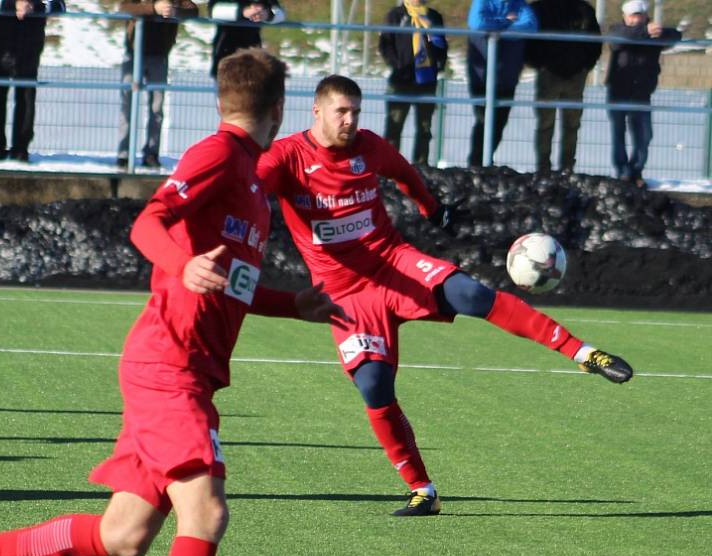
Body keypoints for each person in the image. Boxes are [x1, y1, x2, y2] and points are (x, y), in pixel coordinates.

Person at [0, 48, 349, 556]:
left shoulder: (249, 179)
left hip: (181, 371)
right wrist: (182, 265)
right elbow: (147, 221)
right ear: (281, 110)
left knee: (125, 535)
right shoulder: (218, 156)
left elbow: (230, 283)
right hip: (168, 368)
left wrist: (288, 303)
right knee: (206, 512)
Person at [257, 74, 633, 517]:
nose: (350, 120)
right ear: (316, 111)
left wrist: (432, 210)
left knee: (472, 294)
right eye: (341, 111)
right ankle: (423, 490)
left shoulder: (369, 146)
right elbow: (249, 188)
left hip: (393, 260)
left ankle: (584, 353)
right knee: (375, 388)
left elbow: (405, 173)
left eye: (356, 111)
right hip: (344, 294)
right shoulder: (286, 157)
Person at [116, 0, 199, 169]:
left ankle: (151, 154)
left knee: (156, 108)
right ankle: (124, 155)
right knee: (127, 105)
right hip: (133, 53)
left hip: (160, 56)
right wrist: (153, 9)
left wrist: (174, 11)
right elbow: (124, 7)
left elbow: (193, 10)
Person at [606, 0, 680, 187]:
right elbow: (619, 39)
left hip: (642, 92)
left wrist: (660, 32)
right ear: (624, 16)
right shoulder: (617, 29)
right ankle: (623, 171)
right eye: (632, 16)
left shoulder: (654, 32)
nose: (635, 20)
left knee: (644, 135)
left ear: (646, 17)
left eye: (639, 16)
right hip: (618, 90)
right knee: (618, 133)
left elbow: (675, 35)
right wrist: (646, 32)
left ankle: (636, 169)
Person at [0, 0, 65, 162]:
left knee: (26, 98)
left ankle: (20, 149)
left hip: (29, 44)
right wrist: (14, 4)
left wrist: (34, 6)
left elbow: (58, 5)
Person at [524, 0, 602, 174]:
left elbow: (595, 41)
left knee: (572, 123)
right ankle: (543, 166)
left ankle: (567, 166)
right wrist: (539, 64)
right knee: (545, 123)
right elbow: (528, 40)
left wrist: (585, 66)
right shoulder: (539, 8)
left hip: (576, 76)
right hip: (548, 74)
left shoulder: (584, 9)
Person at [466, 0, 538, 167]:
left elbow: (531, 25)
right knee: (483, 121)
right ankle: (476, 164)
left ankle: (487, 161)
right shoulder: (483, 2)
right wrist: (506, 21)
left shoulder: (519, 5)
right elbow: (477, 23)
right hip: (482, 77)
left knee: (499, 123)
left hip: (507, 77)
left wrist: (499, 30)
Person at [378, 0, 448, 166]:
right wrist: (398, 65)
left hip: (426, 81)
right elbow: (385, 45)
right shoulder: (395, 15)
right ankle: (390, 166)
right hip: (401, 80)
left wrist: (437, 63)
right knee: (394, 126)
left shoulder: (433, 16)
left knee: (424, 128)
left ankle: (421, 166)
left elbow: (442, 45)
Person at [208, 0, 284, 78]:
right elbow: (213, 11)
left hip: (253, 53)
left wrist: (268, 14)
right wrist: (243, 11)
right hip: (225, 52)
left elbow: (280, 13)